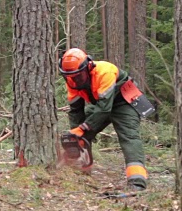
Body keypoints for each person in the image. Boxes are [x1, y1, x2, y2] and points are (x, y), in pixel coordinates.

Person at [58, 48, 148, 191]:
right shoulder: (71, 82)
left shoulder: (104, 72)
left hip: (123, 102)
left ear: (88, 67)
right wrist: (76, 134)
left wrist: (83, 128)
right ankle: (82, 171)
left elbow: (105, 109)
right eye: (70, 76)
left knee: (129, 137)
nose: (74, 79)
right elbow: (76, 111)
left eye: (78, 76)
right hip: (101, 104)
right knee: (80, 133)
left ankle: (137, 181)